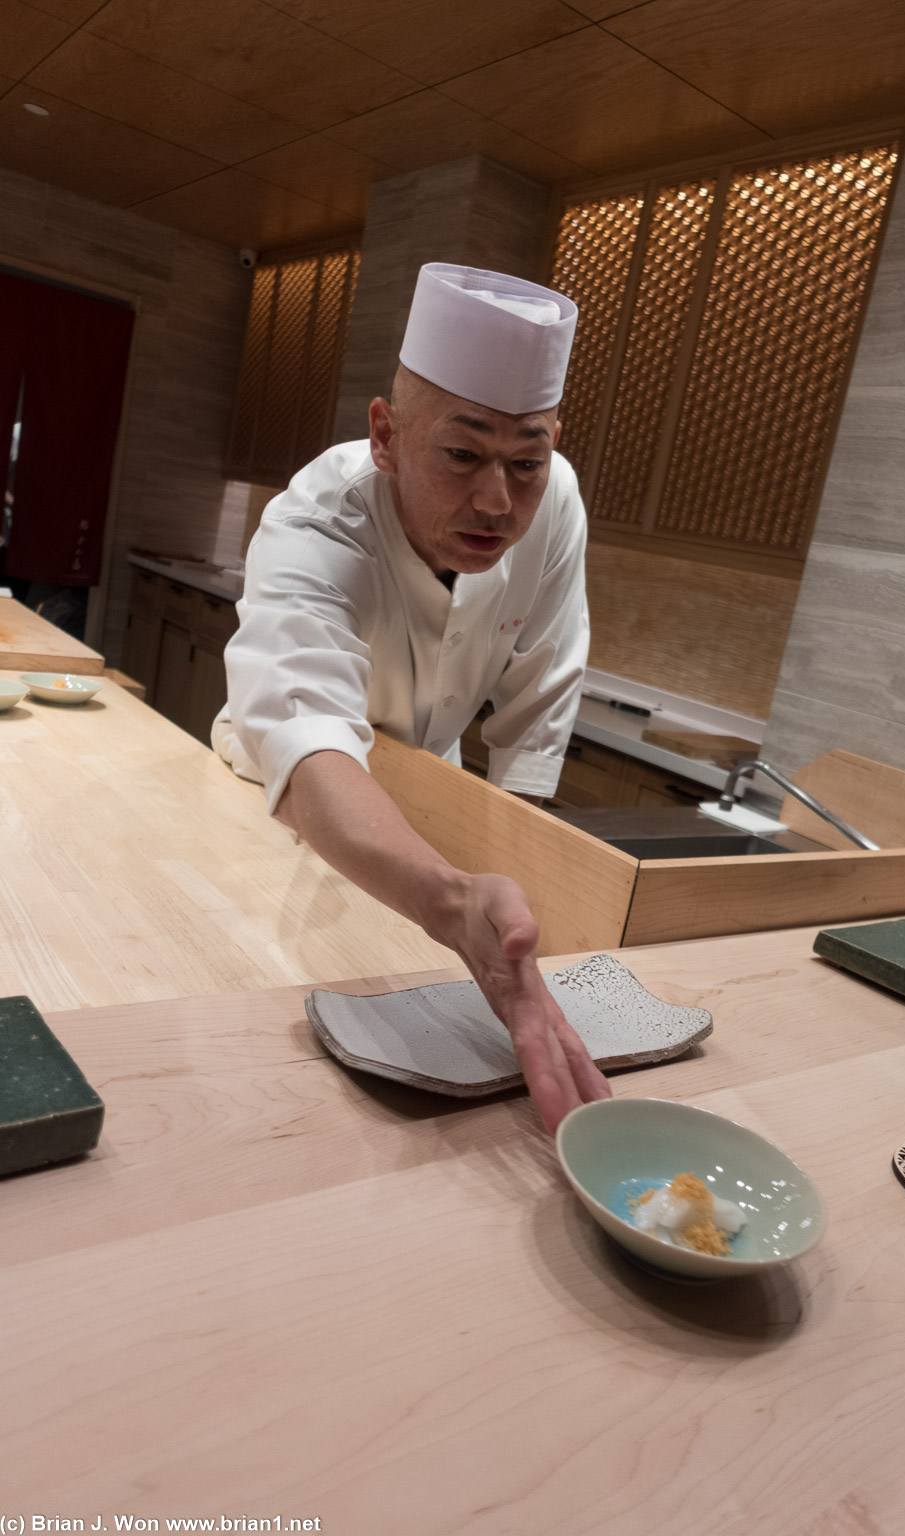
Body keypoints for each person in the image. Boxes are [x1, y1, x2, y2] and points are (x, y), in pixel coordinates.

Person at [213, 263, 612, 1132]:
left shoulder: (558, 504)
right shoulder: (319, 518)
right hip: (291, 798)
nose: (497, 501)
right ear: (386, 434)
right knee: (276, 1013)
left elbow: (540, 694)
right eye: (462, 454)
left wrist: (514, 888)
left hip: (438, 807)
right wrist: (454, 902)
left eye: (525, 461)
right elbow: (303, 726)